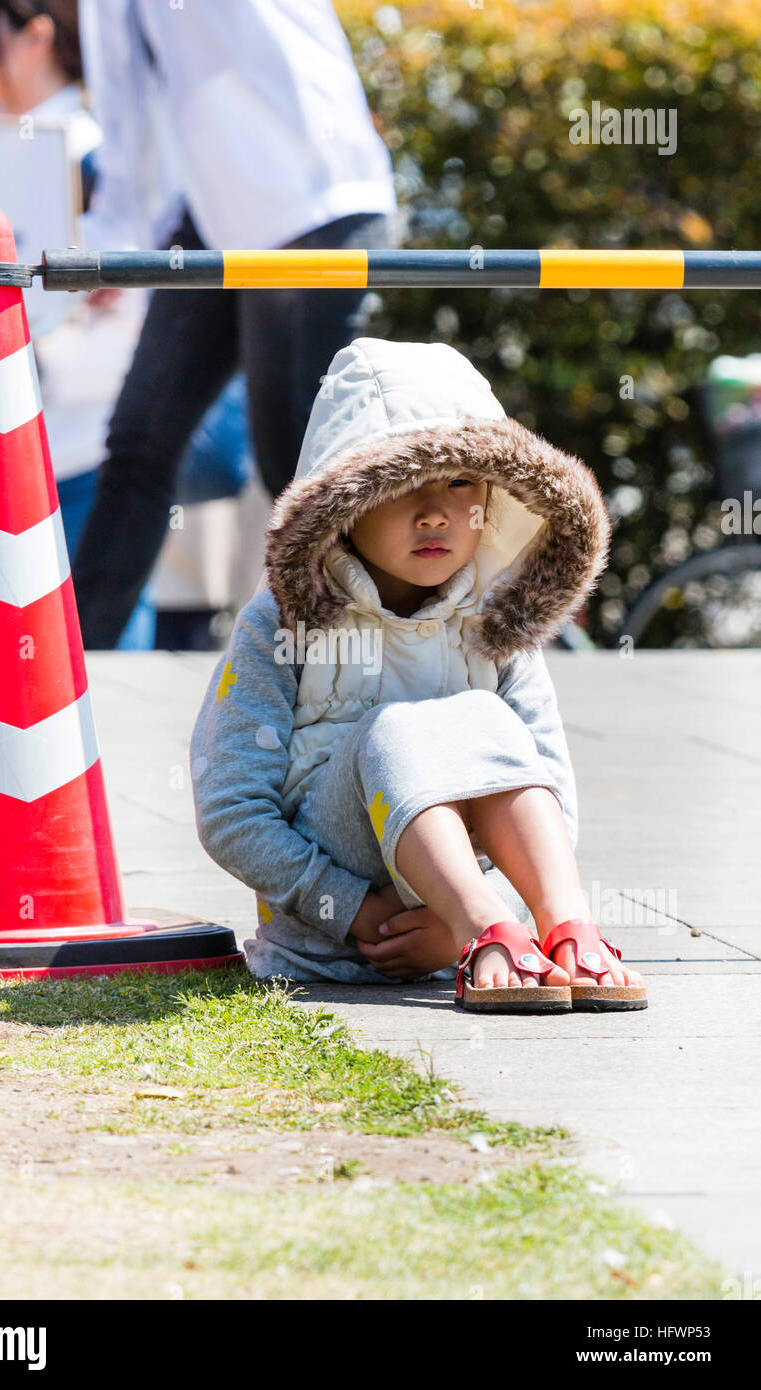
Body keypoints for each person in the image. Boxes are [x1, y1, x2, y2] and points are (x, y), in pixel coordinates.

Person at [189, 337, 648, 1012]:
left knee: (491, 721)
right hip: (330, 937)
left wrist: (479, 915)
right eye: (402, 484)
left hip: (463, 937)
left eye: (461, 481)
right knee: (396, 731)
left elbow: (546, 783)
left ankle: (559, 928)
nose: (435, 511)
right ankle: (482, 929)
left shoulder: (499, 618)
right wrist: (350, 910)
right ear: (341, 505)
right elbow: (230, 809)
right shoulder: (281, 625)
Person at [71, 0, 398, 648]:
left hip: (303, 210)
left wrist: (111, 242)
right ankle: (70, 666)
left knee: (297, 468)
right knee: (145, 442)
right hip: (231, 213)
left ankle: (375, 667)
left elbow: (125, 105)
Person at [0, 0, 156, 648]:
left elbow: (133, 308)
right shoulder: (10, 146)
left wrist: (39, 364)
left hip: (77, 452)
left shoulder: (90, 156)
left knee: (94, 667)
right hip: (26, 444)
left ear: (35, 37)